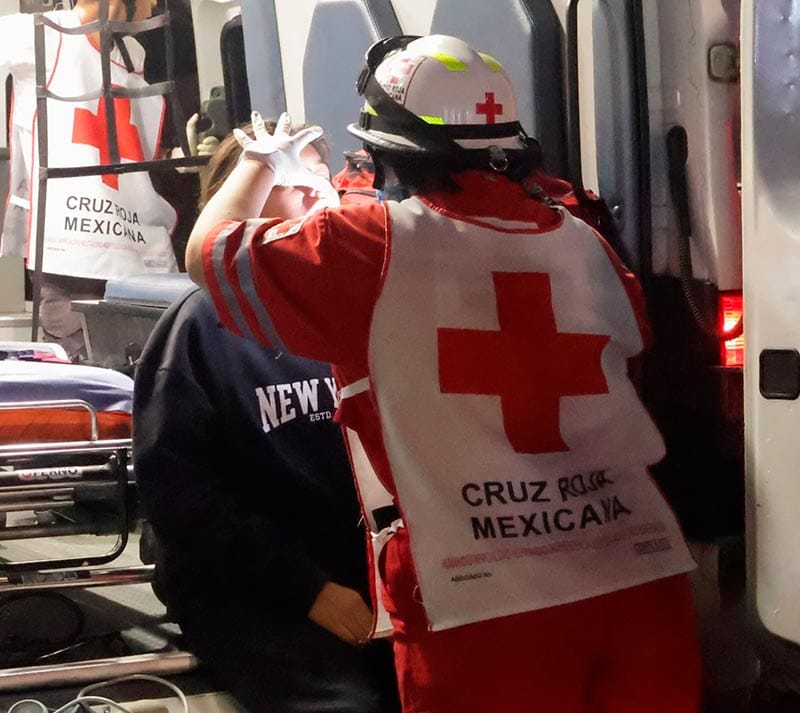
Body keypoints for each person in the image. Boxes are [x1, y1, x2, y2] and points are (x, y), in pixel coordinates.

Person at [184, 35, 702, 713]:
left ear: (389, 150)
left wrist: (258, 164)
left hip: (482, 601)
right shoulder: (587, 241)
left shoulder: (370, 244)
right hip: (637, 576)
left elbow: (209, 251)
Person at [133, 119, 400, 713]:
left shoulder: (369, 304)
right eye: (285, 175)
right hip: (250, 580)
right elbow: (183, 499)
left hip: (368, 570)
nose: (310, 189)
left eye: (317, 173)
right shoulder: (200, 326)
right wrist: (309, 591)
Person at [0, 0, 179, 360]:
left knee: (155, 364)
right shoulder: (36, 34)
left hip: (136, 247)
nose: (155, 4)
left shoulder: (132, 53)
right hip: (73, 252)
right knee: (90, 369)